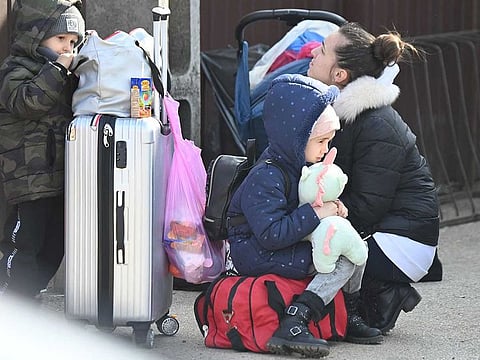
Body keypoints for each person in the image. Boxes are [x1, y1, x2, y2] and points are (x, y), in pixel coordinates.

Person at [227, 73, 383, 358]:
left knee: (353, 245)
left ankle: (348, 314)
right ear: (294, 137)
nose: (325, 149)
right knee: (342, 261)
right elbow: (271, 234)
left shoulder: (297, 165)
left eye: (329, 141)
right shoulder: (267, 175)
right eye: (320, 141)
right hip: (254, 250)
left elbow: (303, 209)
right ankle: (296, 319)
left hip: (281, 241)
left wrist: (331, 212)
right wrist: (316, 213)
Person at [306, 22, 442, 335]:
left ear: (340, 75)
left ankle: (383, 295)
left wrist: (309, 222)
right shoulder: (343, 113)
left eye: (323, 50)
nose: (313, 51)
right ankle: (376, 291)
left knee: (313, 258)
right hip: (382, 229)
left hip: (403, 241)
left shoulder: (378, 125)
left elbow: (367, 207)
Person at [0, 0, 85, 300]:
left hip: (56, 176)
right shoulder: (15, 68)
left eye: (73, 42)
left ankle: (29, 293)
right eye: (60, 38)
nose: (67, 48)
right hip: (27, 176)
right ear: (36, 36)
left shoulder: (62, 74)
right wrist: (58, 70)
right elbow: (27, 101)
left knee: (55, 244)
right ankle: (11, 296)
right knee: (26, 242)